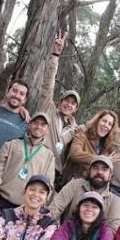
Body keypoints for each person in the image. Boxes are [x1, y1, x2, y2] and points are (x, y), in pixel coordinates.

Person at [32, 32, 80, 170]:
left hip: (55, 170)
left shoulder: (74, 129)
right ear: (60, 101)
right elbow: (48, 85)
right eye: (67, 101)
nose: (69, 105)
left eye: (73, 103)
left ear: (76, 109)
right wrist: (55, 56)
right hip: (36, 161)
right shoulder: (49, 109)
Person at [0, 112, 55, 209]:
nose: (38, 126)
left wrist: (41, 203)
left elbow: (49, 183)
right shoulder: (11, 144)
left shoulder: (49, 156)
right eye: (35, 123)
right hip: (1, 199)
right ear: (29, 125)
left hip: (26, 207)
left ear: (47, 129)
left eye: (43, 124)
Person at [50, 155, 120, 230]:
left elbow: (113, 230)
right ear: (89, 171)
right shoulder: (75, 184)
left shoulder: (116, 199)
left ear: (110, 175)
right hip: (66, 234)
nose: (99, 172)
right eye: (95, 168)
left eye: (104, 169)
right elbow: (55, 208)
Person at [61, 109, 118, 186]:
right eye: (104, 121)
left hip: (91, 188)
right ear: (97, 121)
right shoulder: (83, 134)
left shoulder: (108, 147)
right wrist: (101, 159)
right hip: (72, 182)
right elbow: (75, 154)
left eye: (110, 124)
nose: (106, 125)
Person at [0, 80, 32, 166]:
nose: (17, 95)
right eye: (14, 91)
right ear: (7, 92)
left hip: (1, 171)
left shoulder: (26, 123)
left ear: (25, 100)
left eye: (21, 94)